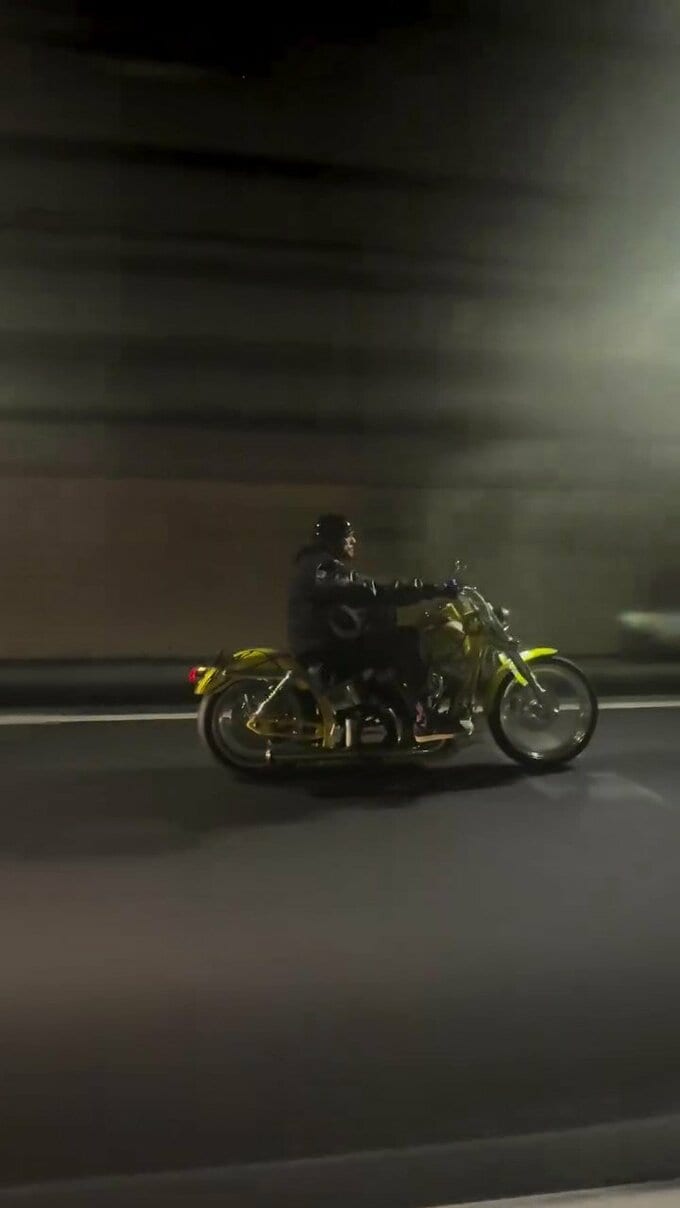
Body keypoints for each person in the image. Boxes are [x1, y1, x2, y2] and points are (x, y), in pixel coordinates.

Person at [287, 513, 459, 735]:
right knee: (407, 640)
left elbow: (360, 591)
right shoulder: (323, 568)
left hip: (324, 644)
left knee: (385, 636)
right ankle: (426, 716)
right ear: (334, 539)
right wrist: (430, 590)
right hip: (325, 650)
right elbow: (367, 591)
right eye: (348, 536)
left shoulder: (318, 566)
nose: (353, 541)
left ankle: (399, 711)